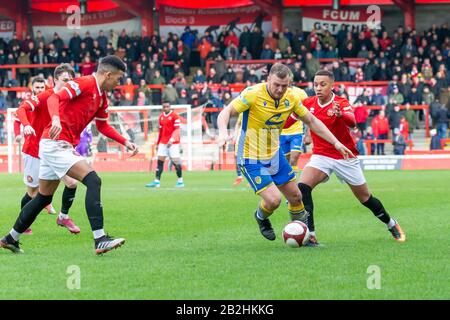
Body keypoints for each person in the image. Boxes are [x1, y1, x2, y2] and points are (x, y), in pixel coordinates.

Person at [1, 55, 139, 255]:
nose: (119, 83)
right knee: (93, 181)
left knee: (42, 198)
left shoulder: (102, 98)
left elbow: (103, 126)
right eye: (118, 78)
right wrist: (55, 119)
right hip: (55, 143)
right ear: (108, 74)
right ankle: (100, 239)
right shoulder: (83, 83)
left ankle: (10, 238)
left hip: (56, 144)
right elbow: (55, 97)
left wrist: (125, 142)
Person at [217, 63, 353, 242]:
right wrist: (223, 133)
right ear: (268, 80)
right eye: (276, 85)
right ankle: (261, 217)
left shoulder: (292, 98)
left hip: (274, 154)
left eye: (285, 85)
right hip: (250, 156)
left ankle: (303, 239)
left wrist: (335, 142)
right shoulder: (253, 94)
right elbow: (226, 112)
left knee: (296, 197)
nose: (280, 89)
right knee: (274, 201)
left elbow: (312, 121)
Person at [285, 70, 406, 246]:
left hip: (345, 156)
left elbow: (352, 122)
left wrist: (341, 115)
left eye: (323, 84)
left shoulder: (341, 103)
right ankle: (310, 234)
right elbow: (289, 121)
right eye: (316, 84)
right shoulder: (308, 103)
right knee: (303, 188)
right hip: (321, 155)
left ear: (332, 85)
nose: (318, 88)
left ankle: (391, 223)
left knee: (365, 198)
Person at [13, 66, 81, 235]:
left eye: (71, 81)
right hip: (34, 150)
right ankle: (22, 225)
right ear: (55, 80)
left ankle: (64, 216)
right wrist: (26, 127)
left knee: (72, 182)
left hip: (54, 150)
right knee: (33, 192)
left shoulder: (68, 98)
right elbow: (20, 111)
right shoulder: (45, 97)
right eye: (66, 80)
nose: (69, 84)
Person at [145, 101, 184, 188]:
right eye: (164, 107)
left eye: (167, 106)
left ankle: (180, 180)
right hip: (163, 142)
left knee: (176, 162)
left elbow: (177, 129)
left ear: (170, 107)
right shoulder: (161, 117)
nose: (166, 108)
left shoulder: (175, 116)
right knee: (160, 161)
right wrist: (158, 143)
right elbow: (161, 131)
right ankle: (157, 181)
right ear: (162, 108)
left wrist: (172, 139)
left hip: (173, 143)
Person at [280, 86, 308, 178]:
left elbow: (308, 111)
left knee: (294, 159)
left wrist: (308, 133)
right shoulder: (277, 92)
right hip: (282, 132)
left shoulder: (300, 92)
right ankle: (288, 182)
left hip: (297, 132)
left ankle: (293, 182)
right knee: (286, 162)